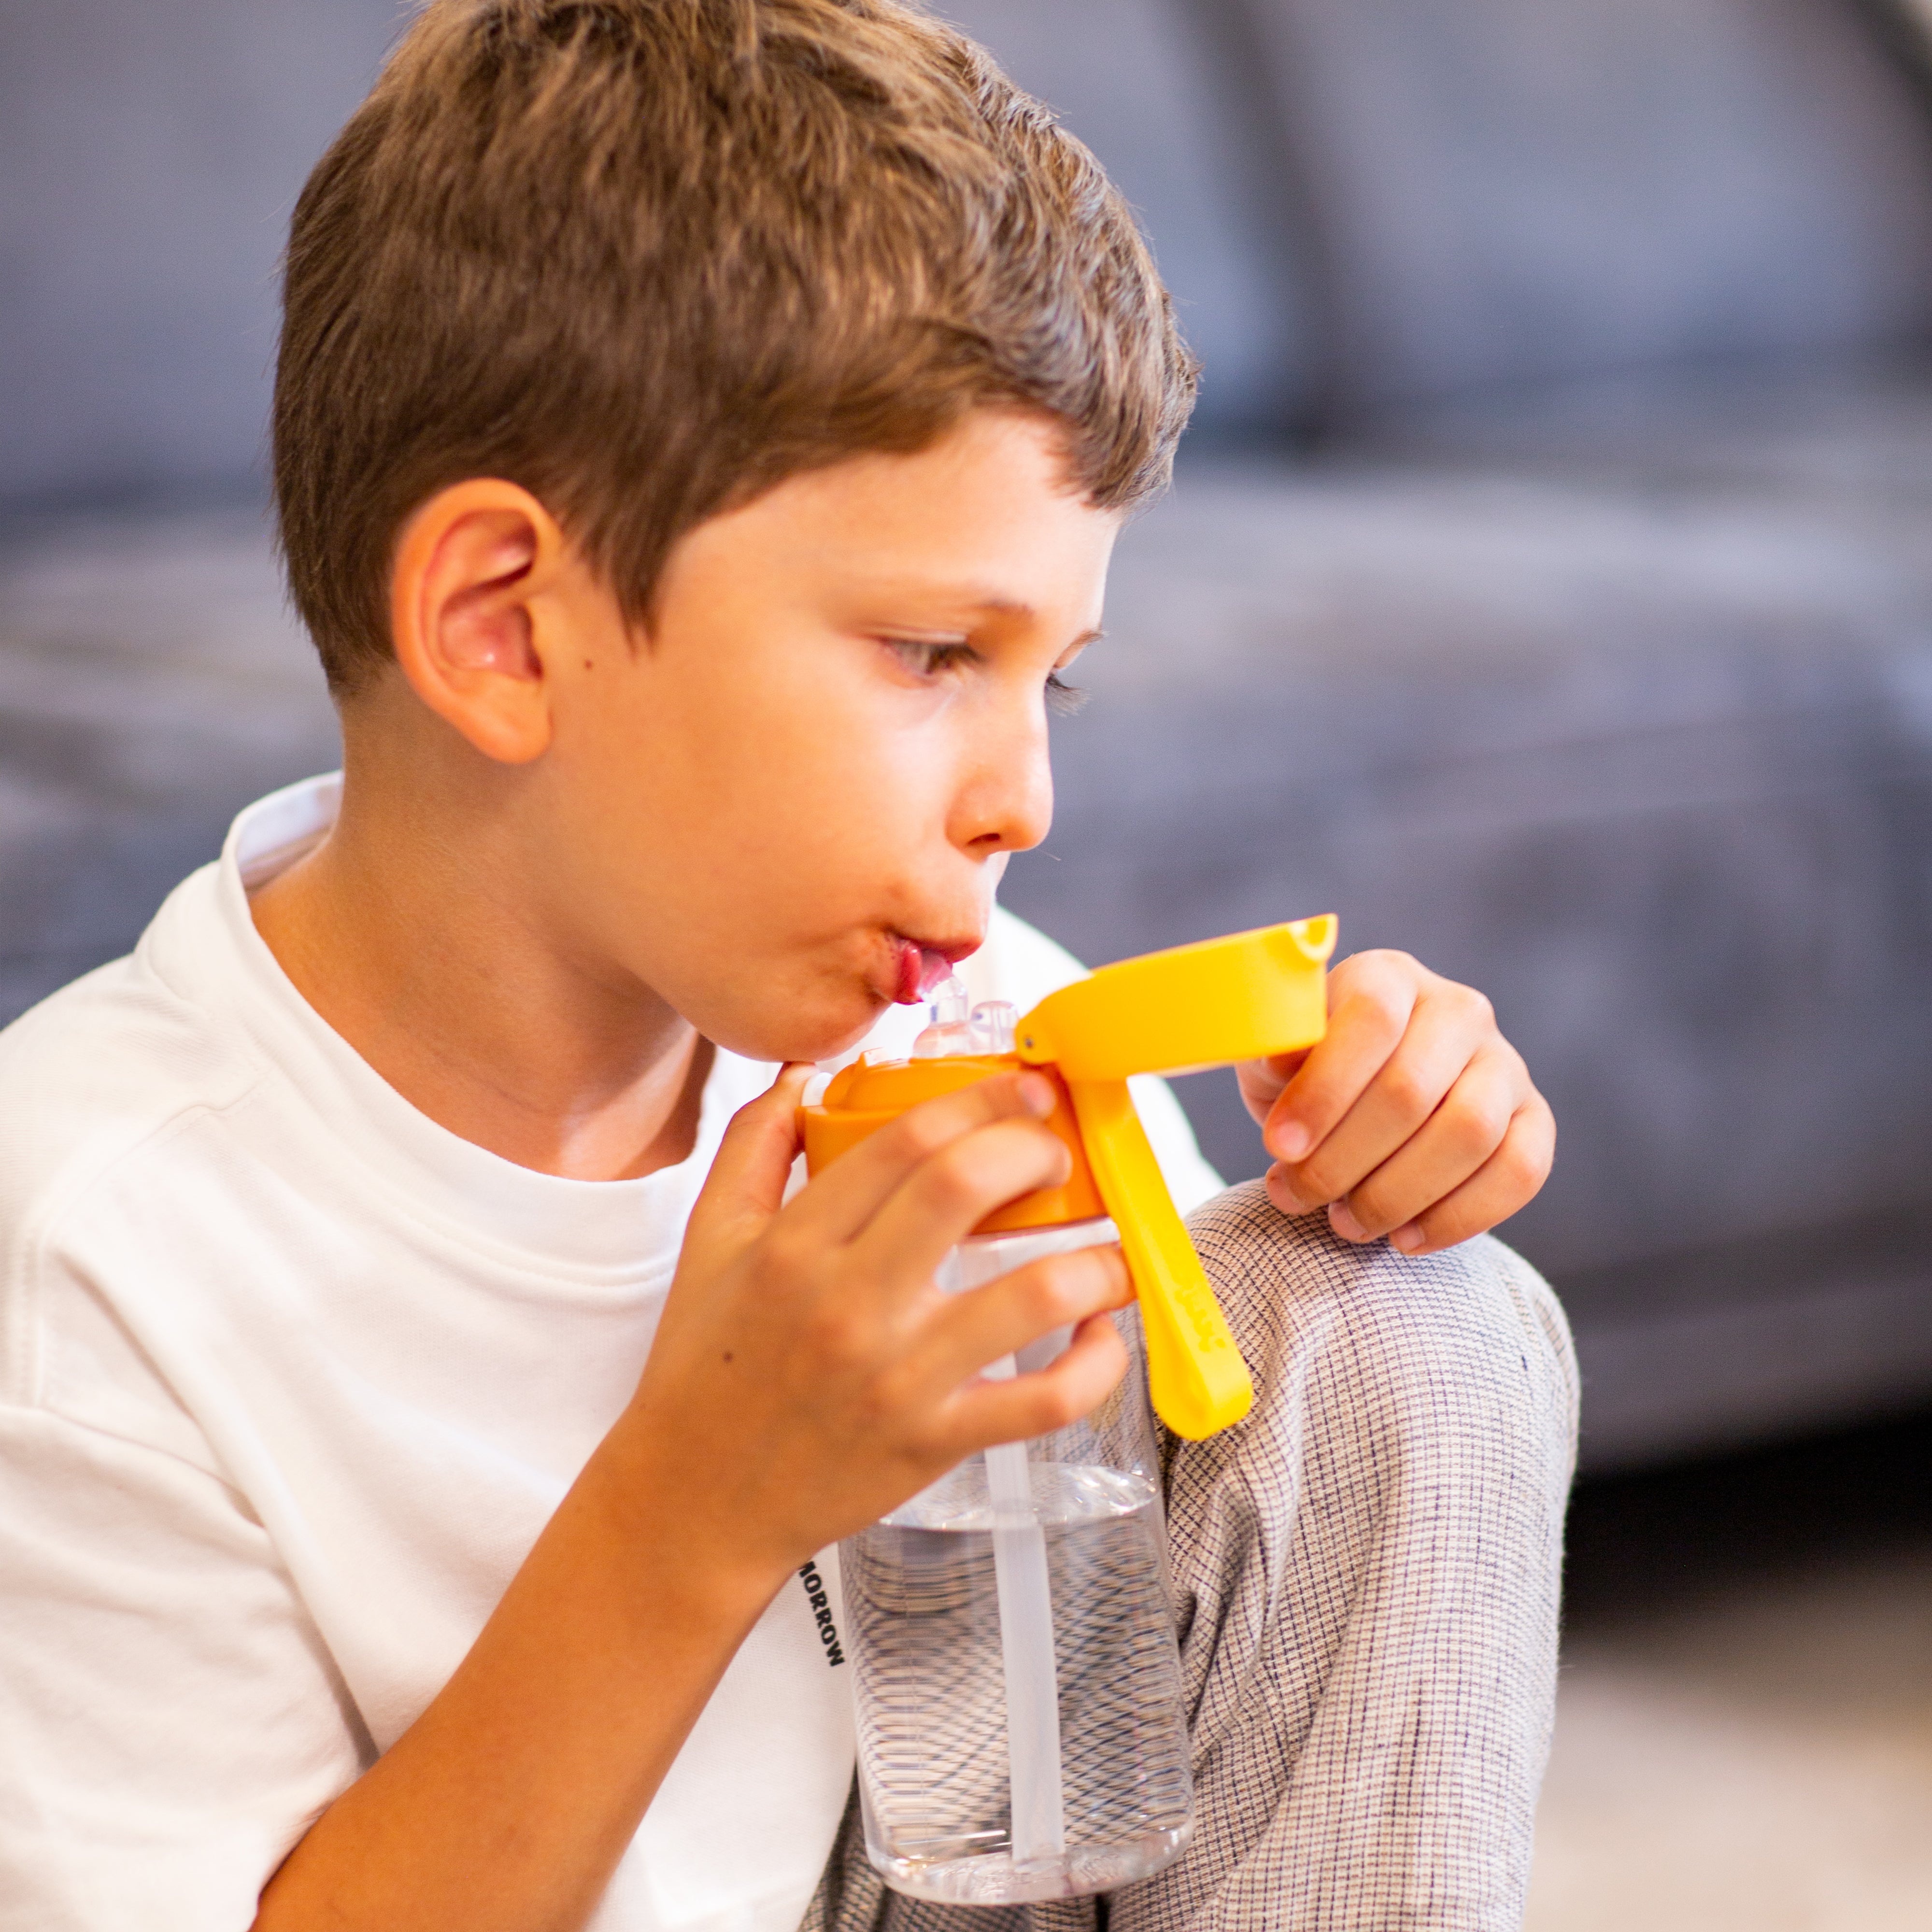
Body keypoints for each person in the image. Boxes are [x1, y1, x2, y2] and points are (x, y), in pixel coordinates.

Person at [0, 3, 1575, 1929]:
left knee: (1405, 1323)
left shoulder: (968, 1017)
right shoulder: (87, 1250)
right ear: (504, 629)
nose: (1025, 801)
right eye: (931, 653)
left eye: (1050, 679)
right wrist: (700, 1497)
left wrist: (1386, 1154)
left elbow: (1249, 1506)